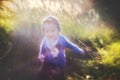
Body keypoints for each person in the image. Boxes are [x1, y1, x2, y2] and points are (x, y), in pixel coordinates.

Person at [38, 15, 85, 80]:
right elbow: (42, 49)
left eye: (53, 31)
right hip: (47, 62)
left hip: (59, 63)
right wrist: (41, 55)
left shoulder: (62, 39)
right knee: (42, 75)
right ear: (44, 31)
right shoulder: (45, 40)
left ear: (58, 30)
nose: (50, 34)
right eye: (47, 31)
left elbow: (71, 45)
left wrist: (79, 50)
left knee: (59, 76)